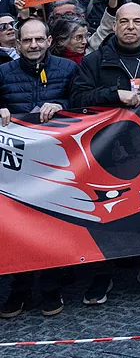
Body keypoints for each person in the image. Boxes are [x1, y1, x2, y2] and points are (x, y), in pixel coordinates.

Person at [70, 3, 140, 303]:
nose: (130, 26)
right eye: (124, 21)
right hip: (106, 151)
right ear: (114, 26)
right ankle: (103, 272)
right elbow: (77, 98)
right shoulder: (94, 61)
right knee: (106, 214)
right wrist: (112, 95)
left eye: (136, 21)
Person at [0, 19, 79, 317]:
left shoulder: (68, 69)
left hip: (55, 163)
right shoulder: (2, 73)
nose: (33, 45)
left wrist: (61, 105)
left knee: (52, 224)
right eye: (26, 40)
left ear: (48, 41)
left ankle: (50, 286)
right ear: (17, 44)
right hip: (15, 167)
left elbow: (84, 102)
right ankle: (19, 287)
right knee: (18, 227)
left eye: (38, 40)